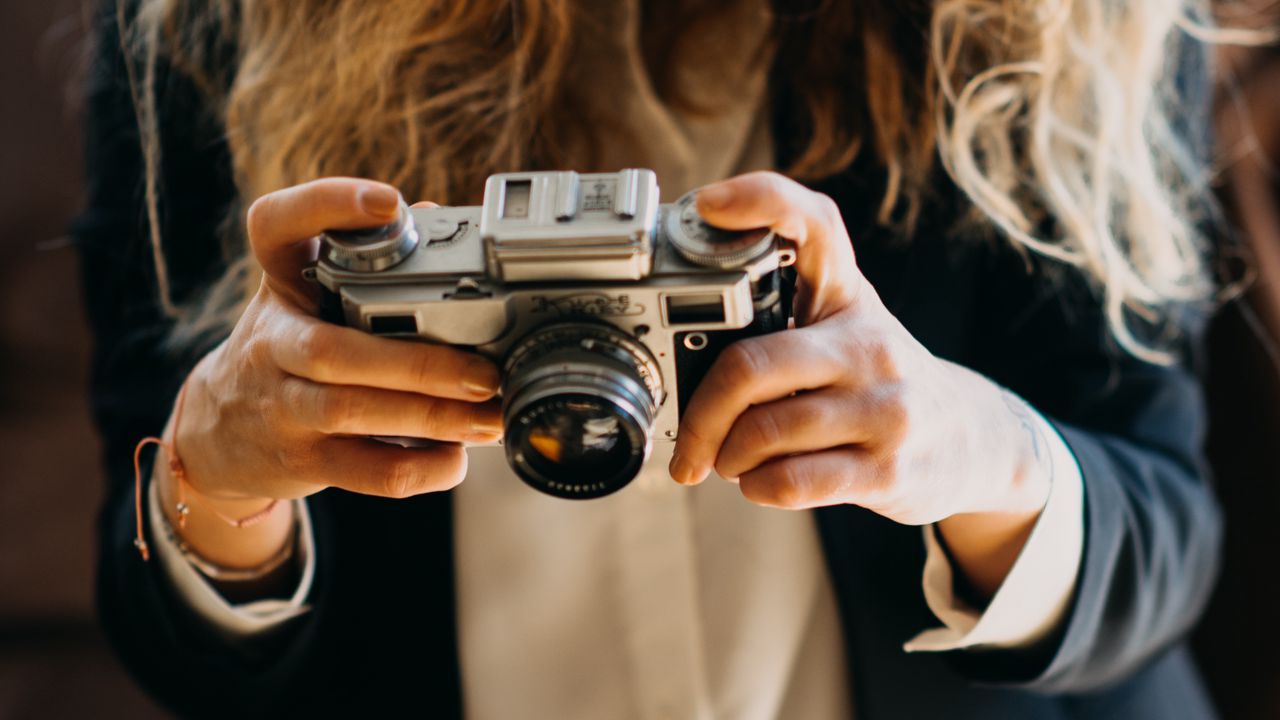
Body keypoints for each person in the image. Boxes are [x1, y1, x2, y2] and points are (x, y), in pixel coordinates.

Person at [79, 0, 1223, 717]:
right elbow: (177, 643)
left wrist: (981, 452)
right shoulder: (213, 24)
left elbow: (1168, 520)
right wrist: (214, 486)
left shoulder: (1072, 23)